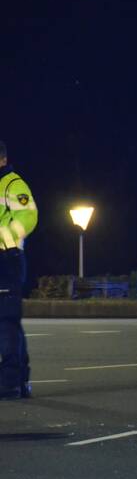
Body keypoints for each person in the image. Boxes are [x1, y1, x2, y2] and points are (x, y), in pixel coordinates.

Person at [0, 141, 38, 400]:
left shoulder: (14, 184)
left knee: (7, 320)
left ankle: (12, 382)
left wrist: (5, 238)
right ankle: (19, 379)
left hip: (7, 258)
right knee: (6, 321)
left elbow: (28, 217)